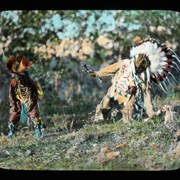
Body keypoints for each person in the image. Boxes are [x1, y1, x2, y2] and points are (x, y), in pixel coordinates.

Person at [87, 38, 180, 123]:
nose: (138, 68)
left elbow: (146, 94)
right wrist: (97, 73)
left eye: (141, 67)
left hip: (127, 97)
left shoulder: (143, 77)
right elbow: (110, 69)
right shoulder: (125, 63)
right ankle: (99, 121)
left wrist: (150, 112)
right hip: (114, 90)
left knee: (127, 115)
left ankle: (126, 125)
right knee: (104, 106)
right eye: (137, 65)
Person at [7, 55, 44, 140]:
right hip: (19, 100)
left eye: (22, 76)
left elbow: (35, 93)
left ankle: (38, 130)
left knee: (34, 114)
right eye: (18, 76)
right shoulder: (14, 82)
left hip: (30, 99)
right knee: (14, 114)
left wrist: (32, 102)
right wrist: (13, 104)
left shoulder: (30, 82)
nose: (20, 79)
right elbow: (11, 93)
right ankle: (11, 130)